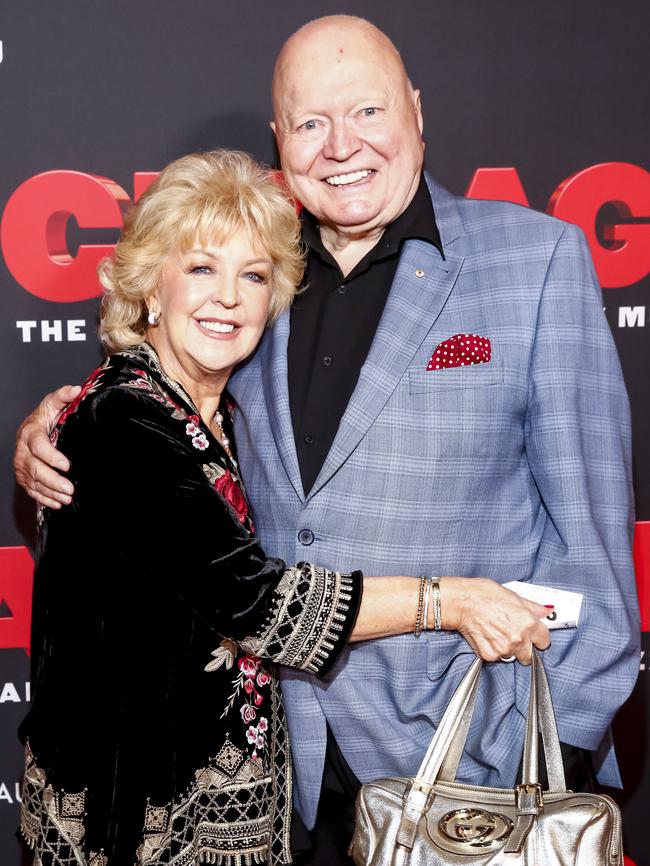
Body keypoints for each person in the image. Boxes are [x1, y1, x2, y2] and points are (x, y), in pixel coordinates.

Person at [14, 15, 639, 866]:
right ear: (282, 141)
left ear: (416, 111)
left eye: (367, 112)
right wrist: (56, 426)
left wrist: (545, 761)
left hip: (472, 771)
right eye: (311, 123)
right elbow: (164, 419)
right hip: (277, 781)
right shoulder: (259, 269)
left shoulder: (535, 263)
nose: (342, 145)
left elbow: (593, 548)